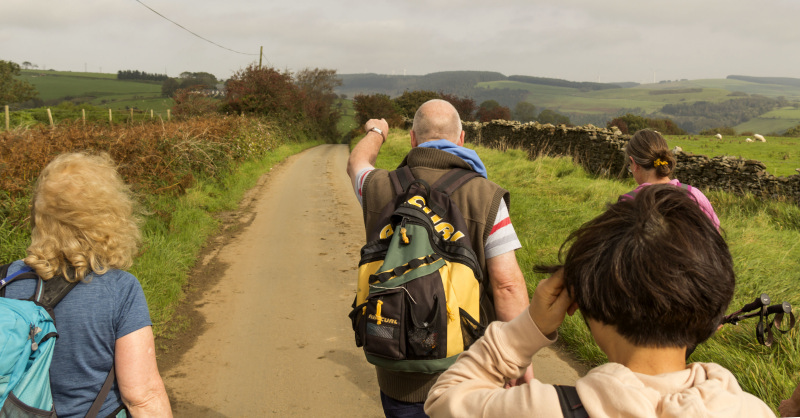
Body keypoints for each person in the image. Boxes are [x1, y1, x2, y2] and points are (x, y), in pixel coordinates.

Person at [425, 185, 776, 417]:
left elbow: (443, 401)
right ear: (716, 302)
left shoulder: (541, 409)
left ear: (586, 305)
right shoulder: (754, 411)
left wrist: (527, 329)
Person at [346, 99, 531, 417]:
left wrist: (377, 130)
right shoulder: (486, 196)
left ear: (413, 140)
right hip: (468, 373)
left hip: (396, 371)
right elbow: (507, 286)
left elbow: (356, 162)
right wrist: (519, 358)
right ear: (461, 140)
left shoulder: (377, 187)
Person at [3, 152, 172, 417]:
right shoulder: (120, 290)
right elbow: (142, 397)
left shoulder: (5, 281)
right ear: (107, 214)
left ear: (39, 213)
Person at [623, 129, 720, 229]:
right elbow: (715, 237)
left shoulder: (626, 204)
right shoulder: (695, 196)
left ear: (634, 164)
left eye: (629, 167)